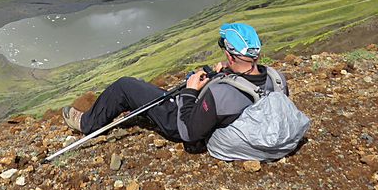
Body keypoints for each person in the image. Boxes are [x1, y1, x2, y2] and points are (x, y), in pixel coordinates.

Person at [62, 22, 288, 152]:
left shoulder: (222, 95)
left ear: (229, 55)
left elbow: (189, 132)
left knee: (125, 86)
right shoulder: (277, 79)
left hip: (180, 120)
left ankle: (87, 123)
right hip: (218, 107)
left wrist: (190, 91)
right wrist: (226, 75)